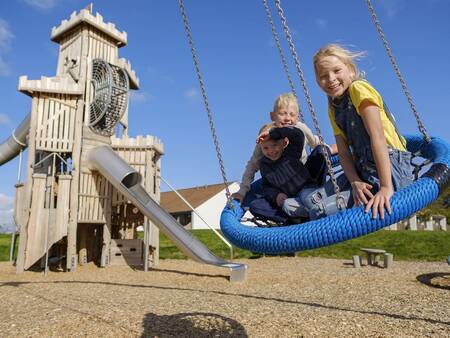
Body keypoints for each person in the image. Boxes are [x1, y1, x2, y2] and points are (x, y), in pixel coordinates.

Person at [290, 43, 414, 220]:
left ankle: (308, 217)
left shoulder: (359, 89)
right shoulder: (333, 107)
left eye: (337, 71)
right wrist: (355, 181)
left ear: (350, 70)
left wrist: (386, 187)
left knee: (318, 211)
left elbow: (377, 137)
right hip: (362, 170)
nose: (331, 78)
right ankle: (301, 212)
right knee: (309, 199)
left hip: (390, 167)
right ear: (318, 81)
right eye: (323, 76)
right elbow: (343, 152)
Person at [232, 92, 337, 204]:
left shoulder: (300, 128)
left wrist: (332, 148)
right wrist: (242, 191)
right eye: (282, 114)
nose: (287, 118)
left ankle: (318, 191)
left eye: (292, 115)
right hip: (284, 183)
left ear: (297, 117)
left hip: (305, 173)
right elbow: (252, 165)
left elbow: (315, 142)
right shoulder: (266, 138)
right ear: (272, 116)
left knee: (322, 151)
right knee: (259, 203)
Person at [248, 123, 322, 224]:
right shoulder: (264, 165)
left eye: (275, 145)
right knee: (255, 206)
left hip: (306, 189)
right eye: (265, 148)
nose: (271, 151)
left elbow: (298, 134)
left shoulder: (291, 152)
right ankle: (292, 220)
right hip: (289, 200)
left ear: (284, 143)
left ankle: (315, 212)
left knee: (307, 198)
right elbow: (267, 186)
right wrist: (276, 195)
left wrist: (274, 133)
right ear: (261, 148)